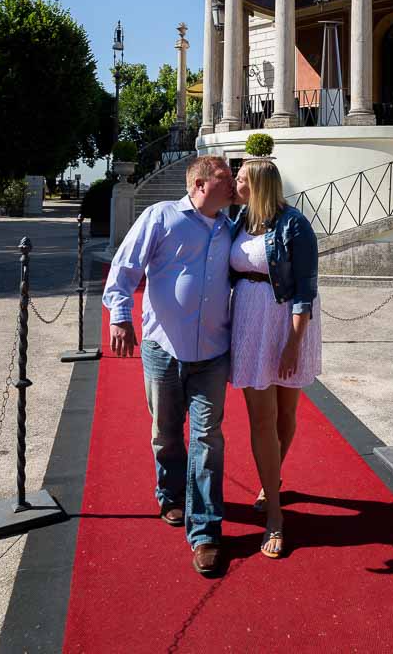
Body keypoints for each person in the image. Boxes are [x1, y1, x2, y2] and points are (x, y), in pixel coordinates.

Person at [102, 155, 234, 577]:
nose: (233, 185)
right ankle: (170, 493)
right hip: (163, 349)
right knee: (165, 432)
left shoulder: (231, 227)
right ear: (199, 184)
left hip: (213, 352)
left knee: (208, 439)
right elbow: (124, 268)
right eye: (225, 179)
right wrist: (120, 316)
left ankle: (206, 532)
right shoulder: (160, 217)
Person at [230, 158, 321, 558]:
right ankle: (276, 518)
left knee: (286, 413)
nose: (235, 183)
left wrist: (293, 343)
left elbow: (306, 288)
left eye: (241, 179)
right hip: (250, 323)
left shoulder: (295, 224)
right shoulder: (237, 220)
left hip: (286, 321)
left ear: (259, 185)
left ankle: (272, 480)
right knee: (261, 419)